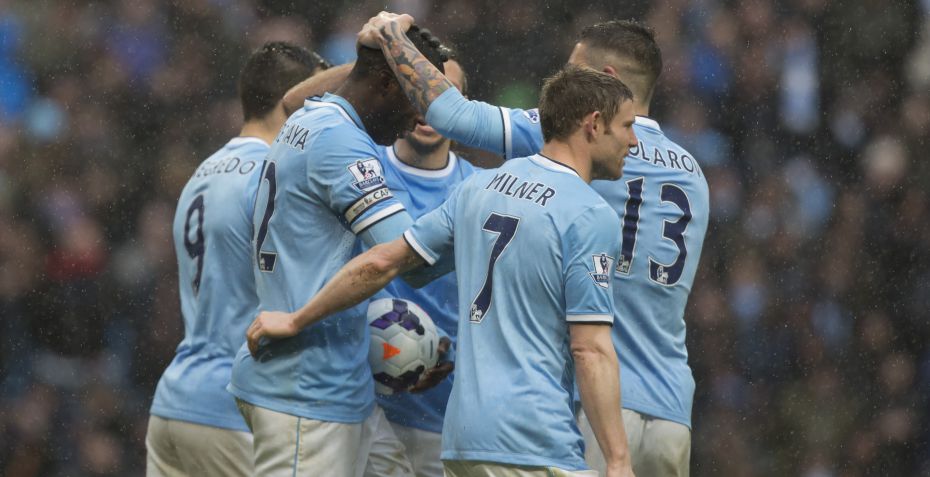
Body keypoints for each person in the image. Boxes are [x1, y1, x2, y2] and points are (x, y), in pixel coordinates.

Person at [358, 13, 709, 476]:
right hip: (670, 410)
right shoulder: (693, 174)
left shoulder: (580, 136)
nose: (563, 82)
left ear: (606, 80)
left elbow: (452, 115)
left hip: (598, 404)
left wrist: (392, 37)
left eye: (573, 70)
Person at [245, 64, 639, 477]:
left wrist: (297, 318)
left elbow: (384, 261)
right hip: (535, 438)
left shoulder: (478, 187)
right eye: (627, 126)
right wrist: (618, 459)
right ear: (594, 124)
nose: (633, 140)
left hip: (462, 439)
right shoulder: (589, 213)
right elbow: (590, 349)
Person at [225, 29, 447, 477]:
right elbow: (403, 255)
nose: (420, 118)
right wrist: (478, 207)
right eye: (418, 99)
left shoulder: (309, 119)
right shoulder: (339, 141)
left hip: (337, 385)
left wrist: (382, 45)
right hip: (306, 390)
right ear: (387, 82)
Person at [145, 42, 324, 477]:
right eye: (319, 101)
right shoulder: (275, 176)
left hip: (175, 402)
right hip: (235, 406)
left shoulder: (202, 173)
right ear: (295, 102)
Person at [364, 55, 471, 477]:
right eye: (418, 89)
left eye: (444, 94)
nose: (430, 104)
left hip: (445, 420)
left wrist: (452, 351)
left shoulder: (481, 192)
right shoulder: (360, 169)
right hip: (363, 409)